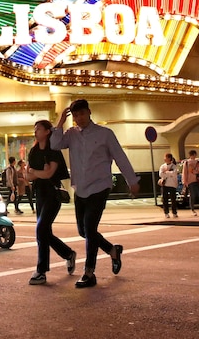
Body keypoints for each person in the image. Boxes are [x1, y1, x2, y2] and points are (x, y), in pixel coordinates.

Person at [51, 99, 140, 288]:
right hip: (80, 188)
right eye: (75, 116)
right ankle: (112, 250)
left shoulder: (105, 134)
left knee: (90, 229)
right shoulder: (71, 134)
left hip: (100, 186)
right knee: (83, 231)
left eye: (81, 114)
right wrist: (60, 122)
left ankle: (89, 272)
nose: (78, 118)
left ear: (89, 112)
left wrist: (132, 181)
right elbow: (54, 144)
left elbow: (120, 156)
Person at [26, 119, 76, 285]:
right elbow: (28, 176)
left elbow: (49, 174)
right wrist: (40, 172)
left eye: (39, 129)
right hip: (39, 194)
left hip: (52, 195)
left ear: (47, 131)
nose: (36, 132)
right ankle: (68, 254)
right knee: (44, 232)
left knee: (41, 229)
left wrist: (37, 172)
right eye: (35, 129)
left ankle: (41, 270)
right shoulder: (33, 152)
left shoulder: (53, 150)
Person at [181, 149, 199, 216]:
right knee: (197, 195)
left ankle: (194, 210)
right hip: (195, 180)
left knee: (194, 196)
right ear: (194, 155)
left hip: (192, 181)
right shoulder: (189, 162)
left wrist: (185, 181)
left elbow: (184, 173)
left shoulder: (192, 162)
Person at [159, 153, 179, 219]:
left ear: (169, 158)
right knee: (165, 199)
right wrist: (169, 174)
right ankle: (166, 213)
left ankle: (174, 212)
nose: (164, 158)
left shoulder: (174, 166)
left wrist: (166, 173)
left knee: (173, 199)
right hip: (165, 184)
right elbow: (161, 174)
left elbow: (174, 173)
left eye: (165, 157)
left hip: (172, 184)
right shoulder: (162, 166)